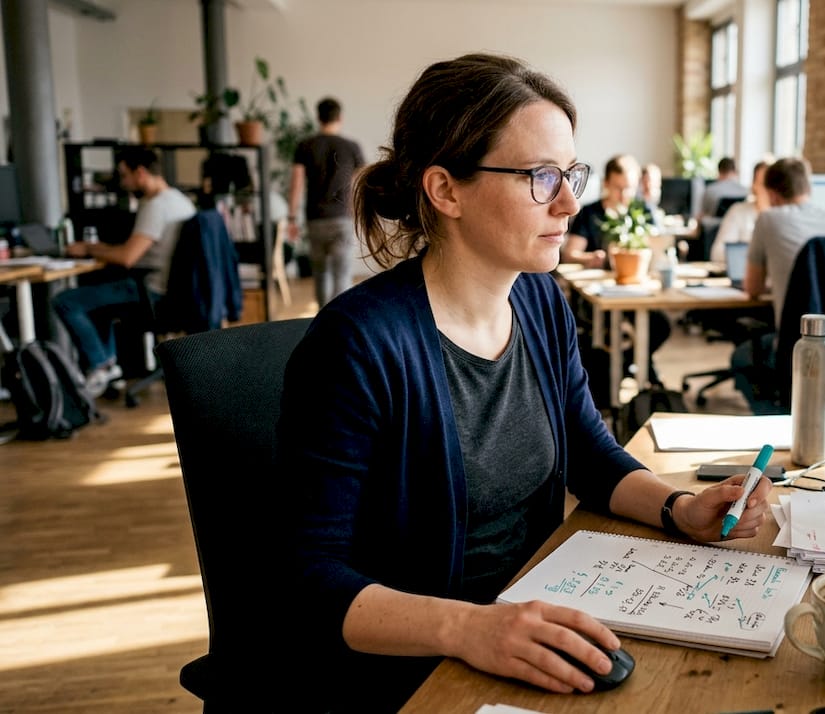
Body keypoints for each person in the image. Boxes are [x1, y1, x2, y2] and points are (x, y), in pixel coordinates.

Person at [278, 53, 772, 713]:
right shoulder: (358, 345)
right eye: (541, 177)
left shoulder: (539, 302)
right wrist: (469, 627)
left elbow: (589, 450)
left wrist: (677, 508)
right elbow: (305, 581)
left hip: (532, 623)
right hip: (417, 668)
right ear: (445, 191)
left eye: (571, 173)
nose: (570, 203)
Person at [53, 146, 195, 397]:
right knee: (98, 303)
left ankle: (101, 365)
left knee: (66, 301)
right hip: (176, 292)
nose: (122, 182)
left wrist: (87, 247)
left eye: (124, 175)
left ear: (140, 173)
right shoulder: (181, 200)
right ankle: (108, 368)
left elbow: (127, 257)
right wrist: (100, 248)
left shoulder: (156, 206)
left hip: (151, 290)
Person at [732, 157, 825, 414]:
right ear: (808, 188)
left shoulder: (768, 219)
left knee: (741, 358)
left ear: (771, 194)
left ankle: (778, 422)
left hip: (796, 346)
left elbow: (753, 288)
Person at [562, 153, 671, 385]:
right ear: (606, 185)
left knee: (660, 325)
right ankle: (628, 369)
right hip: (598, 297)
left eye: (629, 188)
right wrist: (589, 258)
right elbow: (570, 253)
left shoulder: (642, 212)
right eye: (618, 188)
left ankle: (622, 366)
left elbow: (659, 248)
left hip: (637, 292)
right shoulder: (591, 214)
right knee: (608, 329)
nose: (624, 195)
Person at [288, 96, 365, 308]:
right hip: (342, 218)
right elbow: (360, 185)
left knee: (321, 274)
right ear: (339, 117)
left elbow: (296, 184)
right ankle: (340, 325)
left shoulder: (305, 146)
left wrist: (292, 218)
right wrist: (360, 216)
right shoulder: (351, 147)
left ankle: (322, 320)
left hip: (315, 219)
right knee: (342, 275)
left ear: (318, 117)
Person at [709, 157, 773, 264]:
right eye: (764, 184)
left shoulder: (784, 217)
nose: (769, 190)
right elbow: (717, 253)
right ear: (753, 185)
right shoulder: (738, 211)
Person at [697, 156, 748, 222]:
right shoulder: (745, 191)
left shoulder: (710, 190)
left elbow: (702, 214)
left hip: (713, 230)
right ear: (734, 171)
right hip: (737, 229)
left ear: (719, 171)